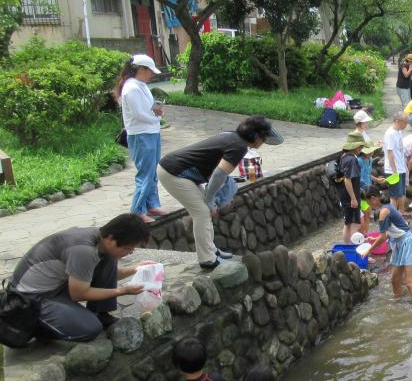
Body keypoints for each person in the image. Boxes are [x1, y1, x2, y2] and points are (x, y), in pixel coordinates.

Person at [158, 115, 284, 270]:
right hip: (174, 173)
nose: (264, 142)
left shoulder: (232, 136)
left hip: (178, 170)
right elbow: (219, 174)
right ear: (256, 136)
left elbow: (278, 139)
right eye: (263, 138)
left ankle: (211, 251)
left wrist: (211, 199)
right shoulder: (239, 146)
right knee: (203, 212)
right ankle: (208, 260)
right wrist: (210, 200)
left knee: (213, 202)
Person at [10, 213, 151, 342]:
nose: (130, 253)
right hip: (30, 298)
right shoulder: (84, 251)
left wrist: (135, 269)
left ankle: (100, 313)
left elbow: (97, 273)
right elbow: (79, 293)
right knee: (90, 329)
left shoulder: (99, 239)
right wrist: (122, 291)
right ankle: (40, 325)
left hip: (56, 286)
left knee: (109, 259)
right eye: (128, 248)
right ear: (111, 239)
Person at [115, 54, 166, 223]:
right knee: (145, 172)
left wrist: (157, 111)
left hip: (152, 131)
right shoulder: (131, 88)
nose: (152, 75)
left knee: (152, 171)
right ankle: (137, 210)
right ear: (141, 69)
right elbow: (138, 114)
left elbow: (148, 107)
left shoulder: (141, 86)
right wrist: (156, 117)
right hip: (140, 134)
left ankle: (151, 204)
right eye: (150, 71)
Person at [365, 186, 412, 308]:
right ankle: (399, 303)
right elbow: (386, 235)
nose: (369, 206)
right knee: (395, 280)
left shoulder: (384, 211)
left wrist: (368, 249)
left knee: (410, 282)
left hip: (407, 243)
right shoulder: (386, 207)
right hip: (399, 244)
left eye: (368, 202)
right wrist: (375, 239)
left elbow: (382, 237)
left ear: (374, 198)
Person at [337, 131, 365, 244]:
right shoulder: (352, 159)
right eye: (361, 146)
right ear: (356, 146)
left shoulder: (343, 157)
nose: (361, 149)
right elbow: (347, 179)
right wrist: (353, 198)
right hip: (350, 196)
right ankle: (355, 251)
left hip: (343, 194)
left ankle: (347, 249)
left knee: (347, 223)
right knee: (354, 224)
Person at [383, 113, 409, 211]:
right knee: (394, 196)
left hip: (400, 167)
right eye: (405, 123)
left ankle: (400, 214)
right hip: (392, 170)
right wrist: (394, 171)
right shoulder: (390, 133)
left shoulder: (399, 132)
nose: (406, 125)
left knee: (401, 193)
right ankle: (394, 218)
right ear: (398, 121)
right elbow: (390, 153)